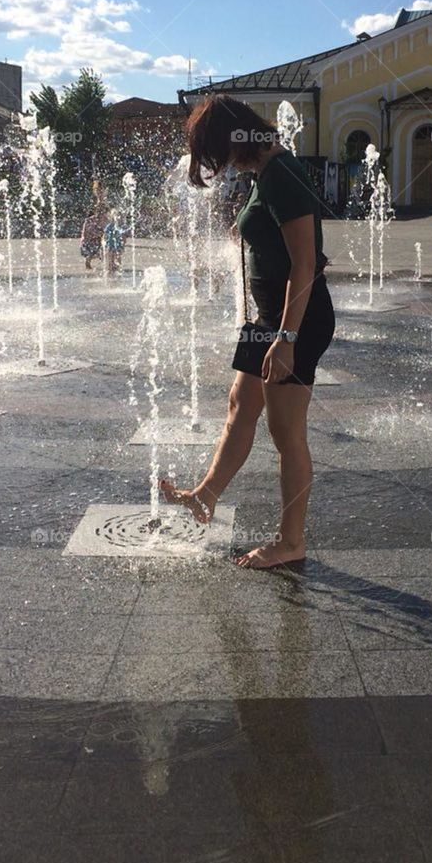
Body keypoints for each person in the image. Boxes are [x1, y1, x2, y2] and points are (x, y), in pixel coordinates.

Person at [160, 95, 335, 570]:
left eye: (220, 151)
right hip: (267, 320)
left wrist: (287, 339)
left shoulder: (284, 172)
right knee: (240, 406)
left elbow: (304, 263)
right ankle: (205, 496)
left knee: (286, 433)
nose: (223, 164)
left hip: (293, 323)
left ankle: (290, 540)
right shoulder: (266, 175)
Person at [79, 203, 106, 271]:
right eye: (99, 211)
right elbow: (86, 232)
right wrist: (97, 234)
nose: (101, 213)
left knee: (104, 250)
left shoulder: (104, 220)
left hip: (98, 240)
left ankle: (106, 264)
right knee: (92, 251)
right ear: (95, 211)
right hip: (89, 240)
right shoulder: (89, 220)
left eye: (102, 211)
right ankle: (88, 263)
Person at [102, 210, 127, 277]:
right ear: (112, 217)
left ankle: (118, 271)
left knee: (118, 258)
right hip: (110, 245)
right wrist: (104, 243)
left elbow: (124, 236)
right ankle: (109, 271)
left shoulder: (121, 226)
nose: (118, 217)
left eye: (119, 216)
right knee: (110, 259)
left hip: (118, 245)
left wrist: (123, 244)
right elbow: (105, 235)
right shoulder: (109, 226)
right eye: (116, 216)